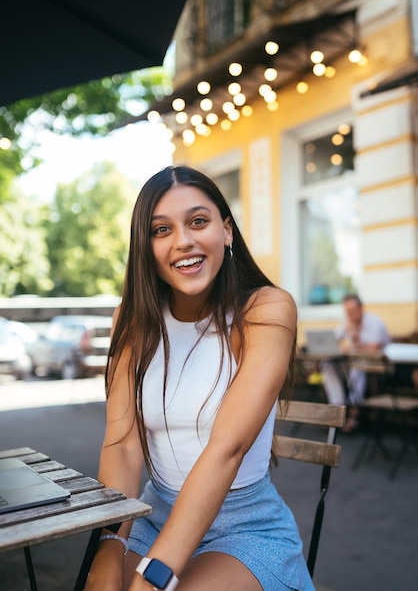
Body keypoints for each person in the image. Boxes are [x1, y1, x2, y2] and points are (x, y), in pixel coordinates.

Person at [84, 166, 314, 591]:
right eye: (161, 229)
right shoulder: (132, 321)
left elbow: (228, 449)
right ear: (146, 247)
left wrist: (153, 577)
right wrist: (109, 545)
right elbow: (122, 445)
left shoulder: (266, 310)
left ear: (226, 231)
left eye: (198, 221)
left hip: (245, 526)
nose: (183, 240)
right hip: (152, 515)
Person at [322, 294, 390, 432]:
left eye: (352, 310)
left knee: (357, 368)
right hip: (353, 363)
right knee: (328, 365)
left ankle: (354, 414)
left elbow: (374, 349)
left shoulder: (374, 322)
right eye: (347, 311)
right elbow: (335, 340)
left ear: (361, 308)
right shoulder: (346, 322)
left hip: (378, 368)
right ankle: (337, 411)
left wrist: (354, 336)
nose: (350, 314)